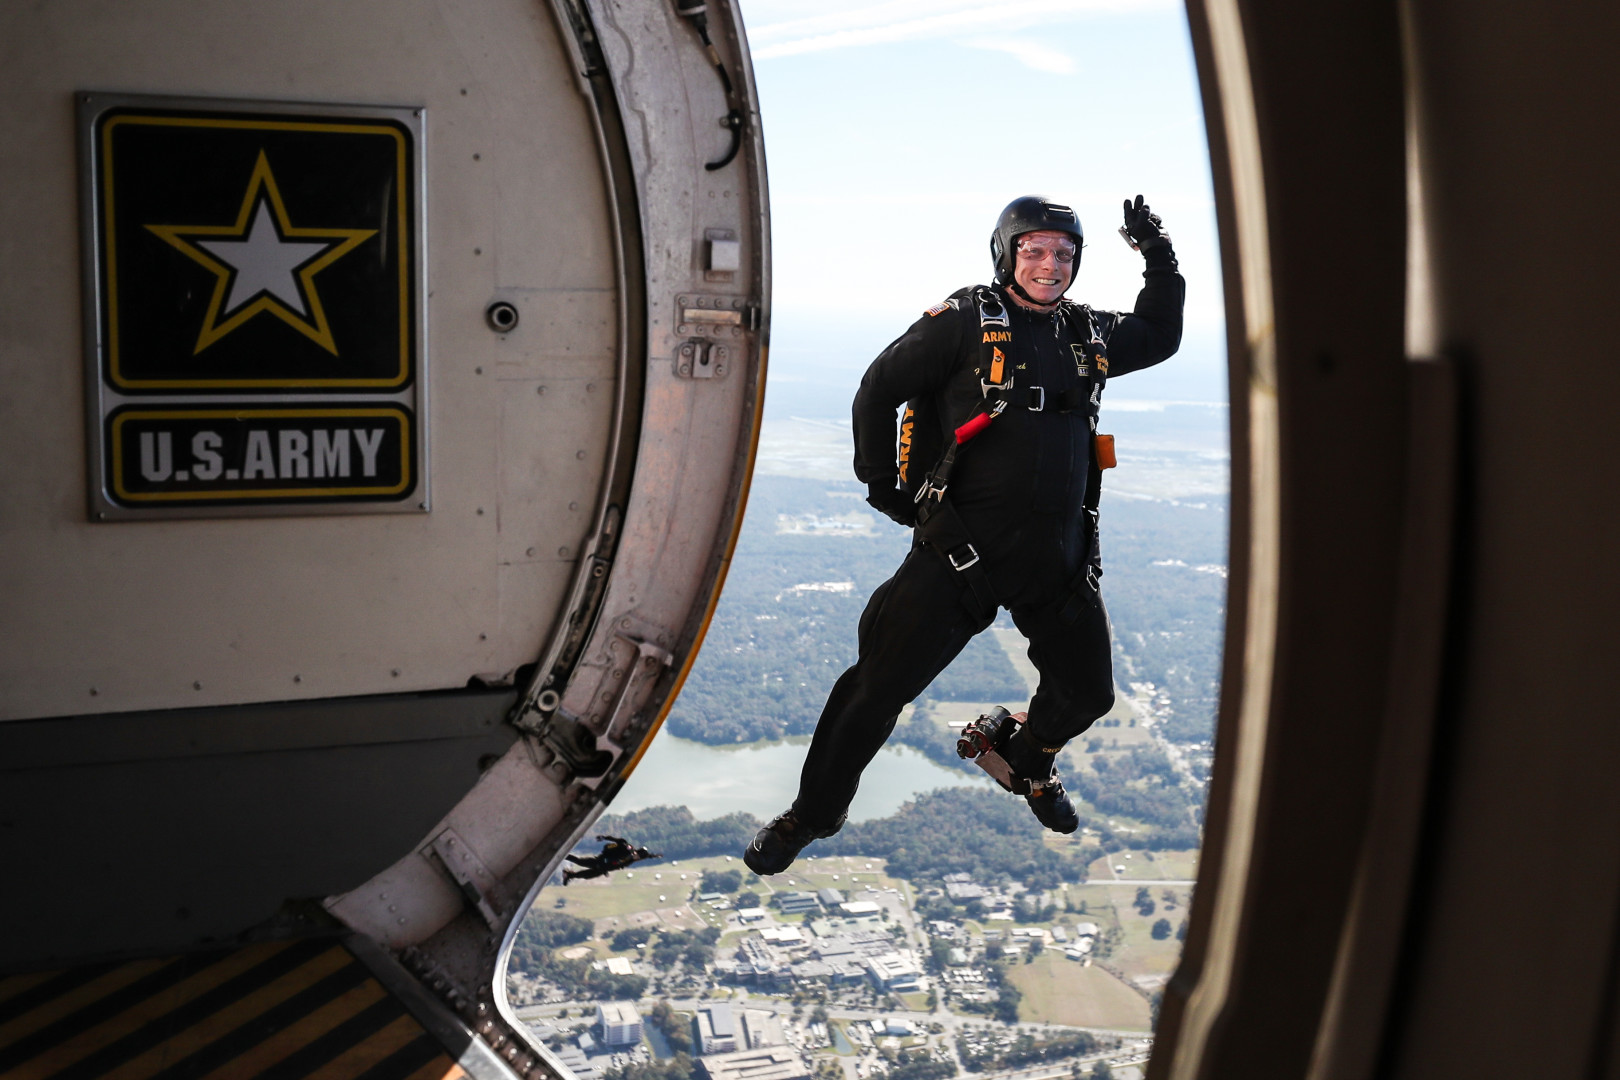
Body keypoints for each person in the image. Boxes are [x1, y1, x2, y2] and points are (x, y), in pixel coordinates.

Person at [743, 195, 1184, 875]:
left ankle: (1026, 757)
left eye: (1064, 253)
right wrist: (882, 484)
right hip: (960, 554)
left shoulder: (1087, 332)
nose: (1050, 264)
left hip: (1055, 559)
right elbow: (877, 389)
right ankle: (811, 815)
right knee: (873, 692)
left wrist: (1158, 256)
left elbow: (1160, 333)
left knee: (1088, 693)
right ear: (1007, 253)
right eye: (1034, 249)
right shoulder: (964, 320)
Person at [562, 834, 661, 884]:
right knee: (580, 862)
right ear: (637, 853)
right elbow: (618, 841)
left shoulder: (632, 859)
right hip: (600, 862)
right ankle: (563, 854)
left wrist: (654, 856)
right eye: (638, 857)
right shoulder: (628, 849)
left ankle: (569, 875)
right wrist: (604, 837)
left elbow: (645, 856)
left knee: (586, 875)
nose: (638, 859)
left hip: (603, 869)